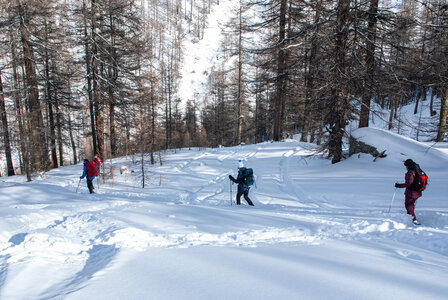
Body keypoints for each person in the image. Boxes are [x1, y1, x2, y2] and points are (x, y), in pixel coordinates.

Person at [395, 159, 422, 225]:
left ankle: (413, 219)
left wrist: (399, 185)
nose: (406, 167)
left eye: (406, 166)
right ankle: (409, 218)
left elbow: (409, 184)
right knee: (411, 205)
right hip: (417, 192)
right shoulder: (417, 170)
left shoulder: (410, 172)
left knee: (408, 205)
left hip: (411, 193)